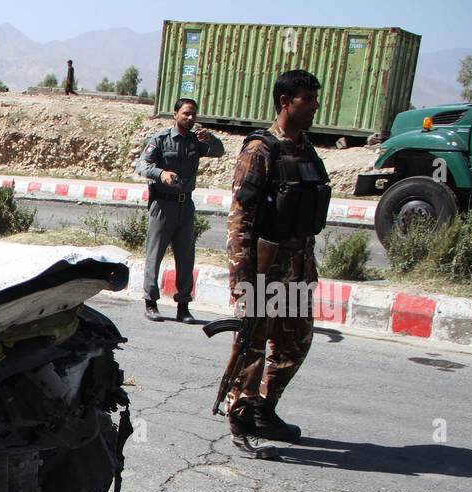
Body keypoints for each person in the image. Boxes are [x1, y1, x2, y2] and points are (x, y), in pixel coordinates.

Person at [219, 69, 330, 449]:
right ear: (285, 102)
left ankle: (264, 407)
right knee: (252, 344)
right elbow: (240, 219)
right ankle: (240, 415)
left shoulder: (305, 149)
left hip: (298, 268)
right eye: (307, 99)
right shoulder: (260, 150)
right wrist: (241, 279)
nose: (315, 105)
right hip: (265, 269)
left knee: (295, 343)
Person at [135, 97, 224, 321]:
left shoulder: (196, 141)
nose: (190, 118)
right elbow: (142, 165)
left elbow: (219, 151)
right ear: (175, 114)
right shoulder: (161, 139)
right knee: (154, 254)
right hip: (162, 205)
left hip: (186, 205)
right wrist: (161, 174)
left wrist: (211, 139)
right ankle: (151, 302)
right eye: (186, 113)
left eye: (193, 114)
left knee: (186, 257)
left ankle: (183, 306)